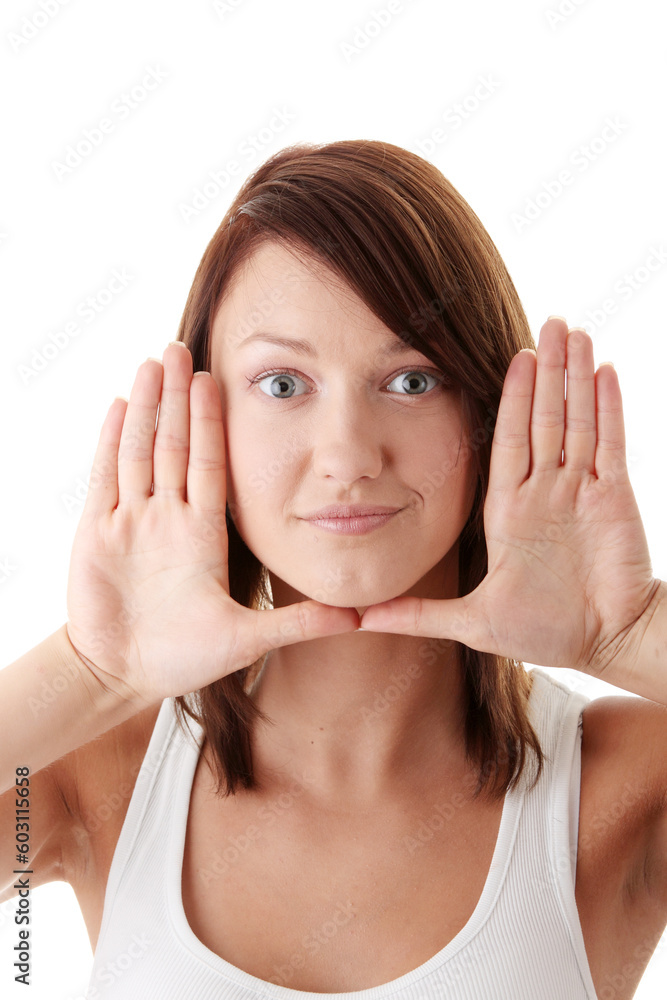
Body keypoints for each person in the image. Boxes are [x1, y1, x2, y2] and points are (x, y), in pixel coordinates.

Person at [1, 139, 666, 1000]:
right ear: (208, 422)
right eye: (283, 384)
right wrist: (89, 673)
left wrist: (632, 633)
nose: (348, 455)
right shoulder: (93, 773)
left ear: (488, 412)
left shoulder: (618, 785)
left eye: (411, 380)